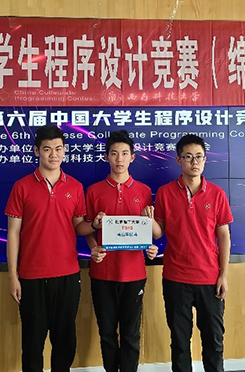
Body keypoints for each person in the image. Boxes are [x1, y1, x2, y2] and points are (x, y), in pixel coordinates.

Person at [75, 130, 159, 372]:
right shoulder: (94, 191)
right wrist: (93, 248)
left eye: (124, 153)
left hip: (134, 274)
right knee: (107, 332)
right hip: (103, 273)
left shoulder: (144, 191)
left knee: (131, 334)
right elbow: (87, 228)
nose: (119, 159)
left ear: (132, 157)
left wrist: (150, 248)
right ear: (106, 157)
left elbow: (149, 231)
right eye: (114, 153)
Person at [6, 124, 87, 372]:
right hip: (32, 276)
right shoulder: (22, 187)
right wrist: (13, 276)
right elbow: (13, 233)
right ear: (36, 151)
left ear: (65, 151)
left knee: (65, 342)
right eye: (47, 149)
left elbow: (79, 227)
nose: (54, 154)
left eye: (59, 149)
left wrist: (96, 224)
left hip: (68, 275)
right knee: (32, 344)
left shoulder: (75, 187)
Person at [151, 134, 233, 372]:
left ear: (205, 159)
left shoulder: (217, 194)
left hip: (209, 278)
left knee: (214, 342)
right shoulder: (165, 193)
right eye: (188, 157)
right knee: (179, 343)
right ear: (178, 160)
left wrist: (223, 275)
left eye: (199, 157)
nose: (194, 162)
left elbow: (224, 236)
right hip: (176, 278)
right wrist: (147, 220)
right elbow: (159, 232)